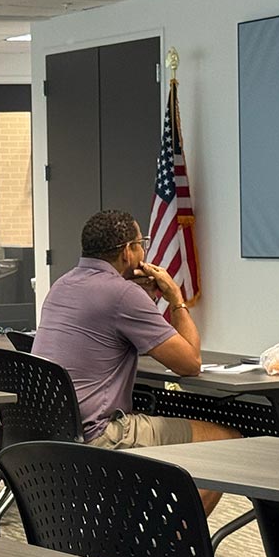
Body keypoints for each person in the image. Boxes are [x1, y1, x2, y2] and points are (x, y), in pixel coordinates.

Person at [32, 209, 238, 514]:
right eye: (141, 243)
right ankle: (172, 549)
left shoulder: (62, 284)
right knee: (228, 441)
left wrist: (139, 297)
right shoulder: (123, 294)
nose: (145, 251)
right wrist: (175, 298)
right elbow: (190, 363)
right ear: (128, 251)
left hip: (50, 427)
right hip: (97, 435)